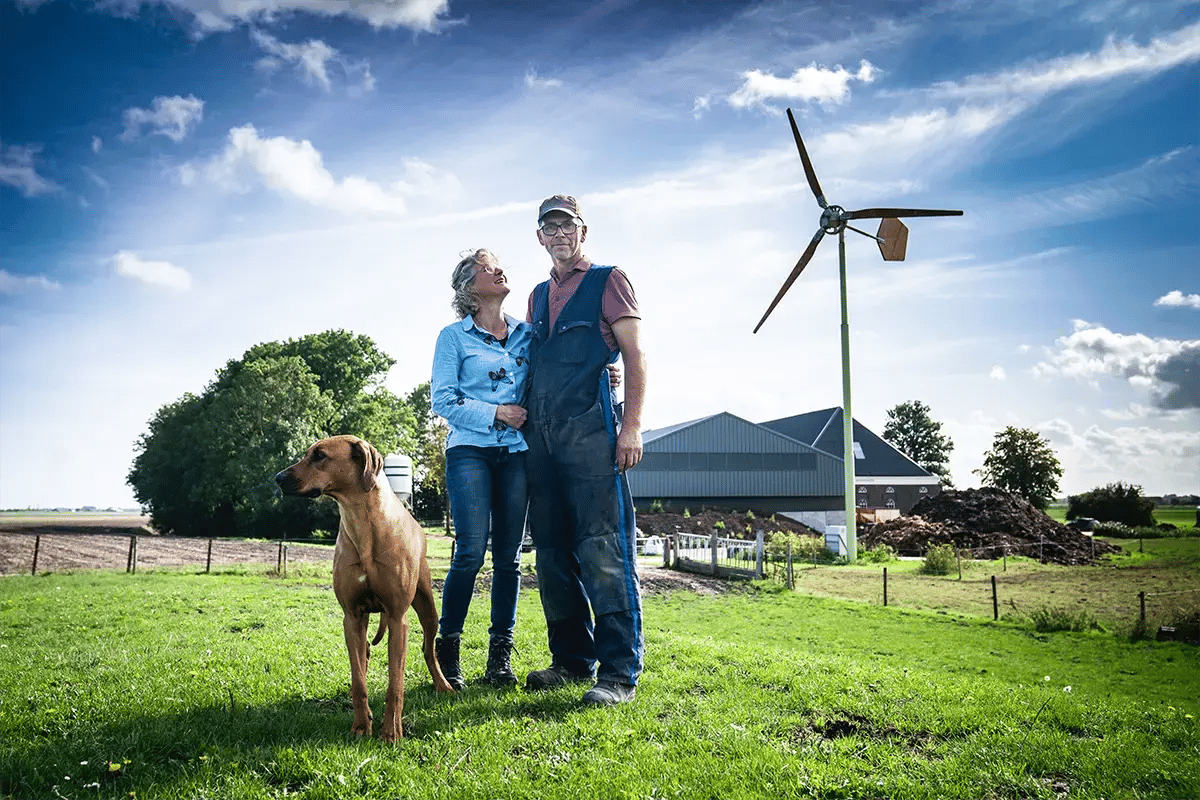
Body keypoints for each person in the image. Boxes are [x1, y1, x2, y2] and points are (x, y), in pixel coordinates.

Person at [523, 194, 648, 706]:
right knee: (552, 555)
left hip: (594, 436)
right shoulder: (534, 295)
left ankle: (619, 673)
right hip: (542, 442)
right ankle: (572, 660)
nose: (559, 234)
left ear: (582, 231)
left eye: (567, 226)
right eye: (549, 227)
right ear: (539, 236)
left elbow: (636, 357)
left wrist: (632, 427)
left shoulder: (609, 280)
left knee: (604, 550)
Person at [430, 248, 530, 689]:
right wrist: (497, 414)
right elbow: (443, 400)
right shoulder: (453, 338)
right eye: (488, 267)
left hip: (517, 454)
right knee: (471, 552)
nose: (499, 269)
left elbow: (557, 373)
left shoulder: (529, 335)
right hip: (470, 449)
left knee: (508, 559)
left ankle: (499, 660)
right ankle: (447, 652)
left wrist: (607, 373)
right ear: (470, 288)